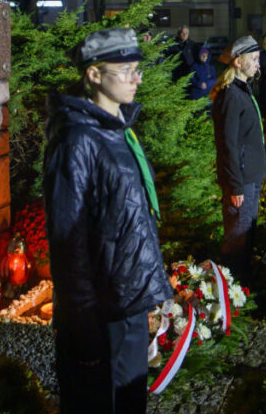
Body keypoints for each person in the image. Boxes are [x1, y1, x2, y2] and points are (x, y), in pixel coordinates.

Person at [44, 28, 170, 414]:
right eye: (126, 70)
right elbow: (68, 242)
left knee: (129, 402)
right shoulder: (77, 140)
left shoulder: (117, 130)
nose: (137, 79)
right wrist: (82, 328)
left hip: (126, 303)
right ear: (94, 74)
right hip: (101, 313)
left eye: (137, 69)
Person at [211, 36, 266, 280]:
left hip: (251, 176)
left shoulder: (243, 91)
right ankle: (233, 289)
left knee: (247, 235)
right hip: (241, 181)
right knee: (237, 238)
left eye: (258, 59)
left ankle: (244, 287)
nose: (257, 64)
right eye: (253, 59)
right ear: (237, 62)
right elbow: (227, 145)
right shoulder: (231, 96)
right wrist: (234, 185)